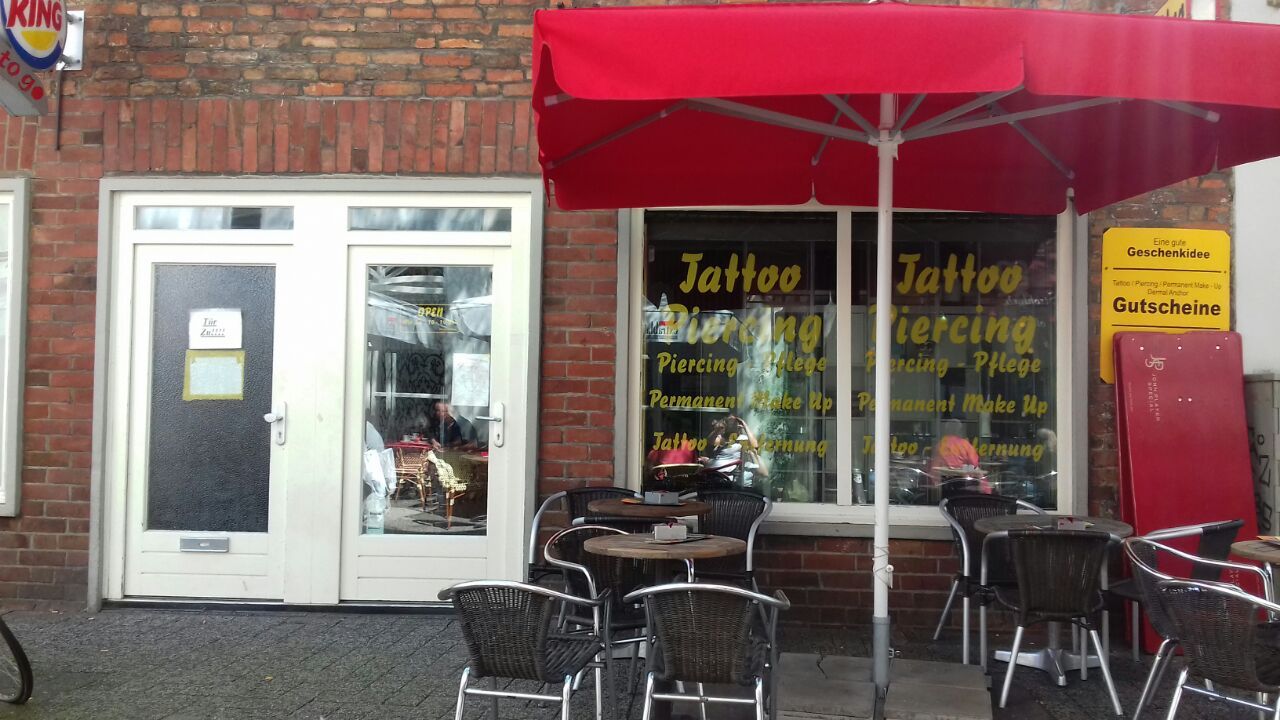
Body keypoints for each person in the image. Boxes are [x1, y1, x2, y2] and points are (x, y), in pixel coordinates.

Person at [701, 415, 767, 489]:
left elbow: (755, 446)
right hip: (715, 471)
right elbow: (710, 442)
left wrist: (745, 425)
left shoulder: (742, 439)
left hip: (727, 472)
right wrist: (717, 431)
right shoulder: (721, 437)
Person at [928, 418, 988, 493]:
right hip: (962, 482)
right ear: (959, 430)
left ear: (947, 430)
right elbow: (974, 463)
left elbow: (934, 467)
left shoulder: (940, 444)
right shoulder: (965, 444)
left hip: (943, 483)